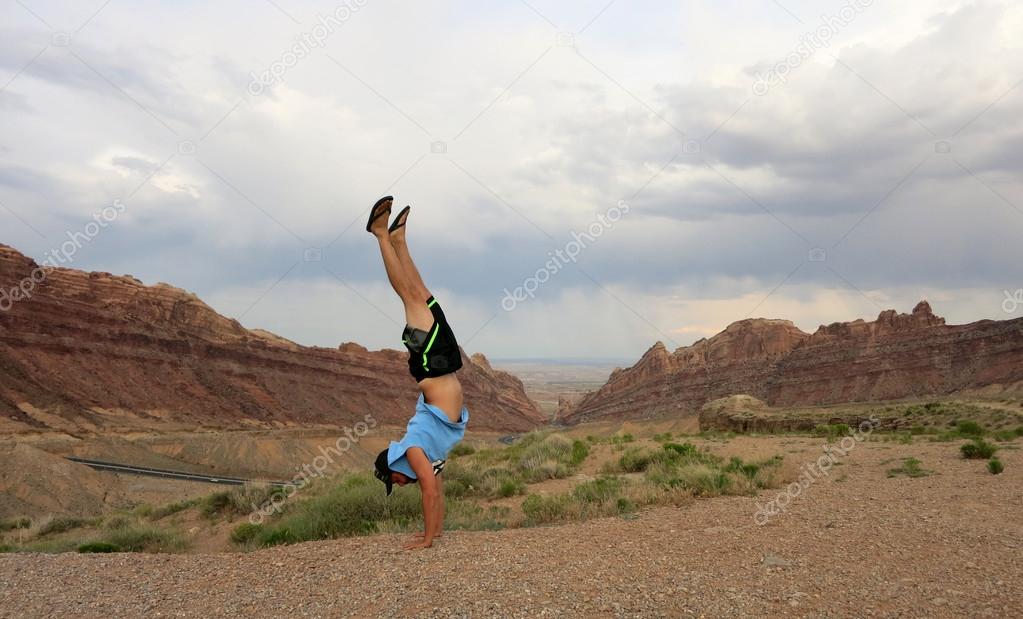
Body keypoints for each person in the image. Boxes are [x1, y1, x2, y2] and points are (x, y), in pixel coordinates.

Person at [366, 195, 469, 551]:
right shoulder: (424, 456)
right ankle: (399, 243)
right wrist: (436, 532)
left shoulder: (411, 452)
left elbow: (426, 488)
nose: (400, 482)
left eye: (393, 479)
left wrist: (424, 543)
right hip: (442, 364)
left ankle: (380, 234)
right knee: (425, 296)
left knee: (410, 298)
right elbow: (436, 489)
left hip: (431, 363)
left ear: (393, 465)